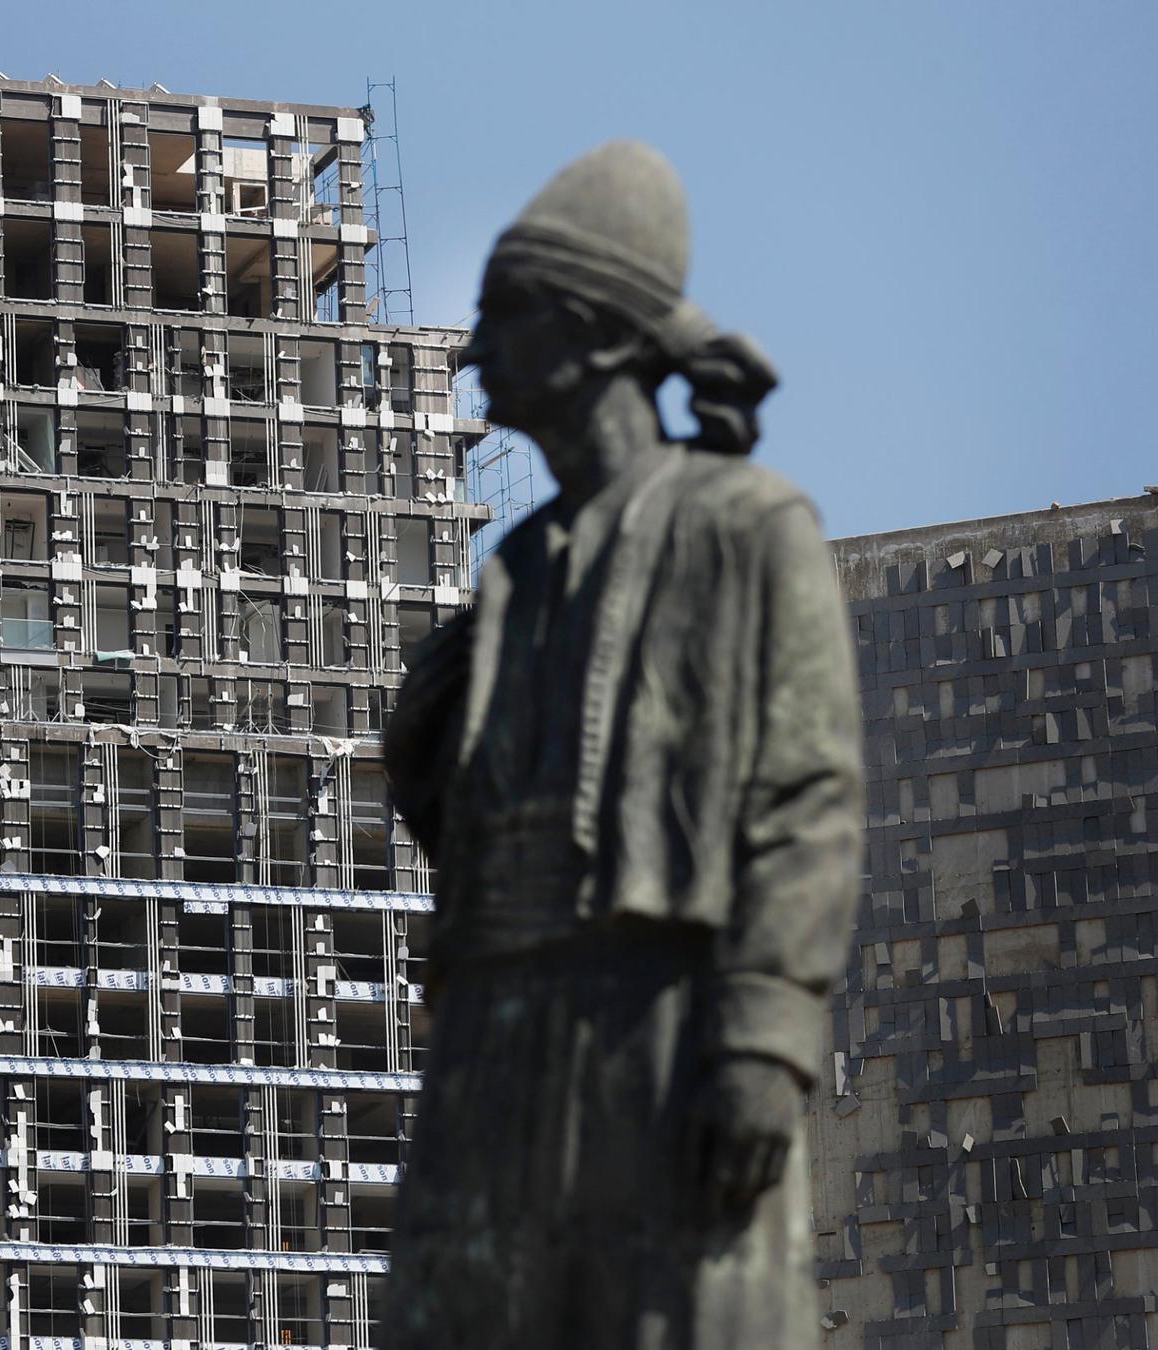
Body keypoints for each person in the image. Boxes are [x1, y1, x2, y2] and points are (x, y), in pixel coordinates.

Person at [380, 141, 863, 1349]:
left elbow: (805, 795)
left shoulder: (748, 528)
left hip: (659, 1015)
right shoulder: (518, 568)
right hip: (495, 1018)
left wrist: (760, 1038)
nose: (476, 349)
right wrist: (424, 735)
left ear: (594, 334)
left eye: (501, 316)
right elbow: (465, 820)